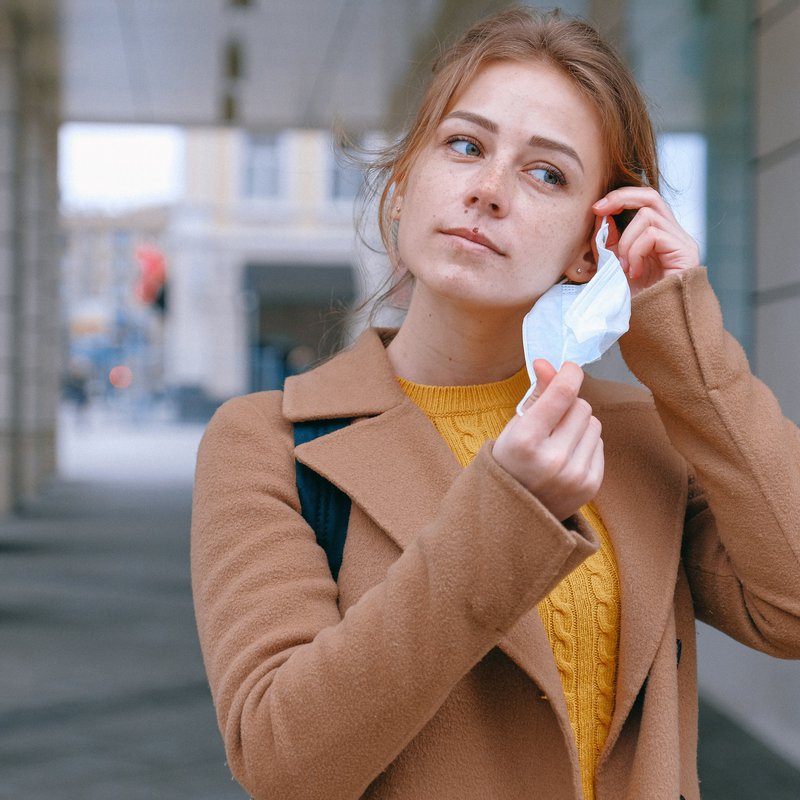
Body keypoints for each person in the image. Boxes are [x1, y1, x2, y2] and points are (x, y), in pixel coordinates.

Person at [191, 7, 800, 800]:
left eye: (546, 173)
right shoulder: (268, 441)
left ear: (595, 246)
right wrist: (506, 514)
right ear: (404, 186)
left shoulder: (634, 436)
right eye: (466, 146)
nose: (488, 191)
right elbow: (281, 758)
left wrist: (686, 350)